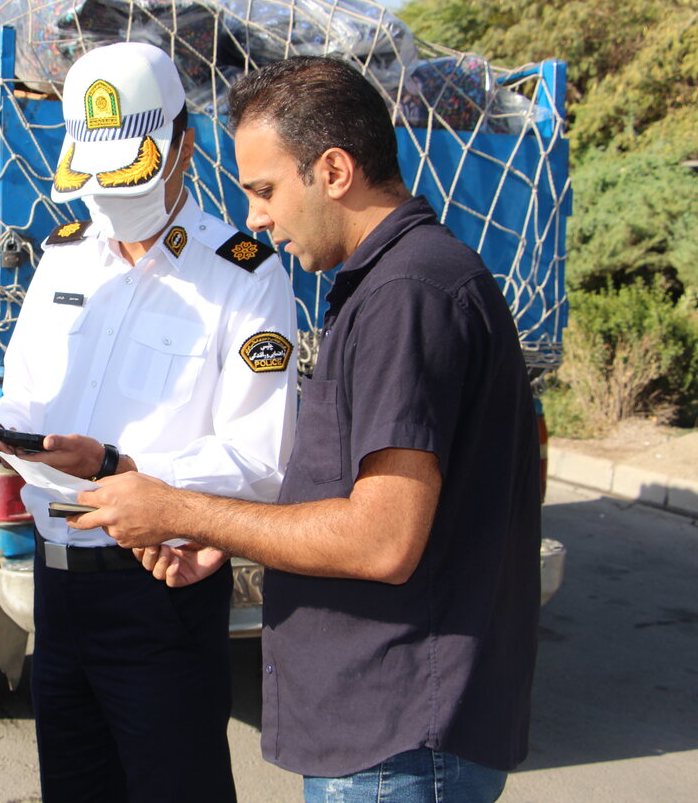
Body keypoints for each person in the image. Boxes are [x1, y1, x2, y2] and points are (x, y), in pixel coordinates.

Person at [70, 55, 542, 803]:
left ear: (333, 170)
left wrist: (179, 508)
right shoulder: (400, 282)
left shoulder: (406, 295)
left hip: (396, 740)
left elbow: (382, 537)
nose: (254, 217)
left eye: (264, 190)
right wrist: (228, 534)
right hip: (391, 734)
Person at [0, 42, 297, 802]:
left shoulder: (244, 275)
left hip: (157, 590)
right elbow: (26, 400)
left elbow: (259, 459)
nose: (109, 195)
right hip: (59, 596)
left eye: (130, 173)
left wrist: (118, 468)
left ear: (184, 147)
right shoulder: (65, 258)